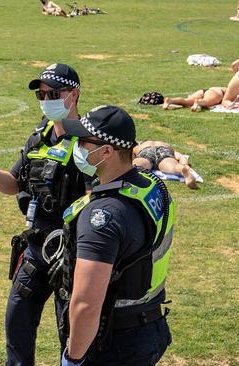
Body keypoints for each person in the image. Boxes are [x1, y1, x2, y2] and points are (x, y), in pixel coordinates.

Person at [0, 63, 88, 365]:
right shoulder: (39, 136)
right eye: (42, 95)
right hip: (35, 250)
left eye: (54, 94)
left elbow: (95, 200)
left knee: (71, 336)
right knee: (17, 325)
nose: (47, 100)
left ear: (74, 95)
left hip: (70, 254)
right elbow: (13, 184)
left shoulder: (87, 141)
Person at [57, 105, 173, 365]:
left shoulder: (102, 217)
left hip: (112, 342)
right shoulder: (150, 185)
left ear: (106, 151)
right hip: (149, 325)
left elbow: (87, 305)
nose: (77, 147)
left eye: (83, 141)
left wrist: (73, 358)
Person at [133, 140, 198, 189]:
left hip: (146, 151)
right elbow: (180, 156)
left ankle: (135, 170)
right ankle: (182, 169)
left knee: (136, 167)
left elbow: (130, 155)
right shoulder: (166, 145)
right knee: (173, 168)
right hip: (163, 150)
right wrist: (184, 164)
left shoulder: (139, 146)